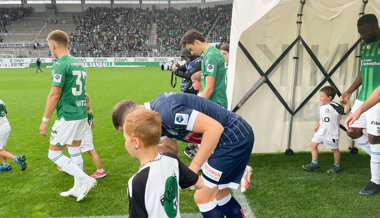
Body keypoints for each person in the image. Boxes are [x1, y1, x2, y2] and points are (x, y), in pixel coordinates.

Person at [112, 92, 254, 218]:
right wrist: (145, 147)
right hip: (229, 139)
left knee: (202, 197)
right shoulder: (154, 119)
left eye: (125, 132)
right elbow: (170, 149)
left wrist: (193, 168)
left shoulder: (166, 111)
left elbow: (214, 128)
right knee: (219, 194)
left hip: (232, 138)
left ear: (130, 120)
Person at [39, 30, 96, 201]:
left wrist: (44, 121)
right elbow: (84, 93)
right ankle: (77, 187)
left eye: (50, 46)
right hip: (81, 114)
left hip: (68, 116)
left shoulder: (60, 64)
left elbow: (54, 95)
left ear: (53, 45)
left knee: (53, 154)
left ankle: (86, 180)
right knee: (74, 150)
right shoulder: (79, 64)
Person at [123, 109, 203, 217]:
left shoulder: (137, 182)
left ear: (136, 142)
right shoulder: (172, 160)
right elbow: (200, 183)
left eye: (125, 138)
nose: (125, 142)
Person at [339, 14, 380, 195]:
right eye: (360, 33)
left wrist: (360, 110)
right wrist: (349, 90)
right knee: (352, 130)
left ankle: (376, 181)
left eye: (365, 32)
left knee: (374, 137)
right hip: (363, 96)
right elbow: (364, 71)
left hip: (377, 99)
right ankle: (377, 158)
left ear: (375, 27)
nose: (362, 35)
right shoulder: (364, 44)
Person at [57, 93, 107, 178]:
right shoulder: (88, 109)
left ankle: (100, 171)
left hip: (84, 135)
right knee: (73, 148)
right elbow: (92, 123)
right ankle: (68, 165)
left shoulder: (81, 111)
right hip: (84, 134)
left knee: (91, 151)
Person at [302, 86, 350, 173]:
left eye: (322, 96)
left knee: (334, 149)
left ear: (329, 97)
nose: (319, 98)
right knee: (313, 145)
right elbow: (322, 117)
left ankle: (337, 166)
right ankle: (314, 164)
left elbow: (346, 111)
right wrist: (317, 124)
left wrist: (346, 103)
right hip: (321, 131)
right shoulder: (322, 106)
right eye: (319, 95)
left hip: (331, 133)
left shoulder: (334, 106)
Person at [182, 29, 228, 109]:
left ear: (196, 42)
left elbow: (209, 88)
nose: (192, 53)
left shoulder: (211, 56)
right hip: (213, 104)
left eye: (191, 49)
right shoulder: (208, 55)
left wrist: (197, 108)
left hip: (215, 105)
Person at [0, 99, 27, 172]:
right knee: (0, 148)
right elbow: (6, 115)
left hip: (1, 128)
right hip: (6, 126)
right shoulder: (1, 101)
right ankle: (5, 165)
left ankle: (16, 158)